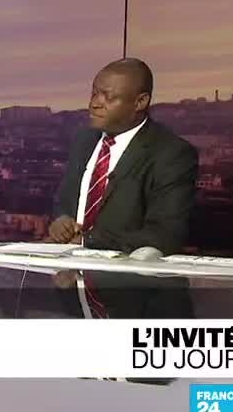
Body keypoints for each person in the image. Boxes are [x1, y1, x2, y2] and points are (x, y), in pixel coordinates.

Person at [48, 58, 198, 318]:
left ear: (140, 102)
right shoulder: (84, 140)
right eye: (94, 93)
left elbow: (165, 234)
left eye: (108, 96)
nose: (94, 103)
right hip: (76, 296)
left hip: (137, 303)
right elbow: (65, 201)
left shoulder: (171, 154)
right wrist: (61, 219)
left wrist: (87, 241)